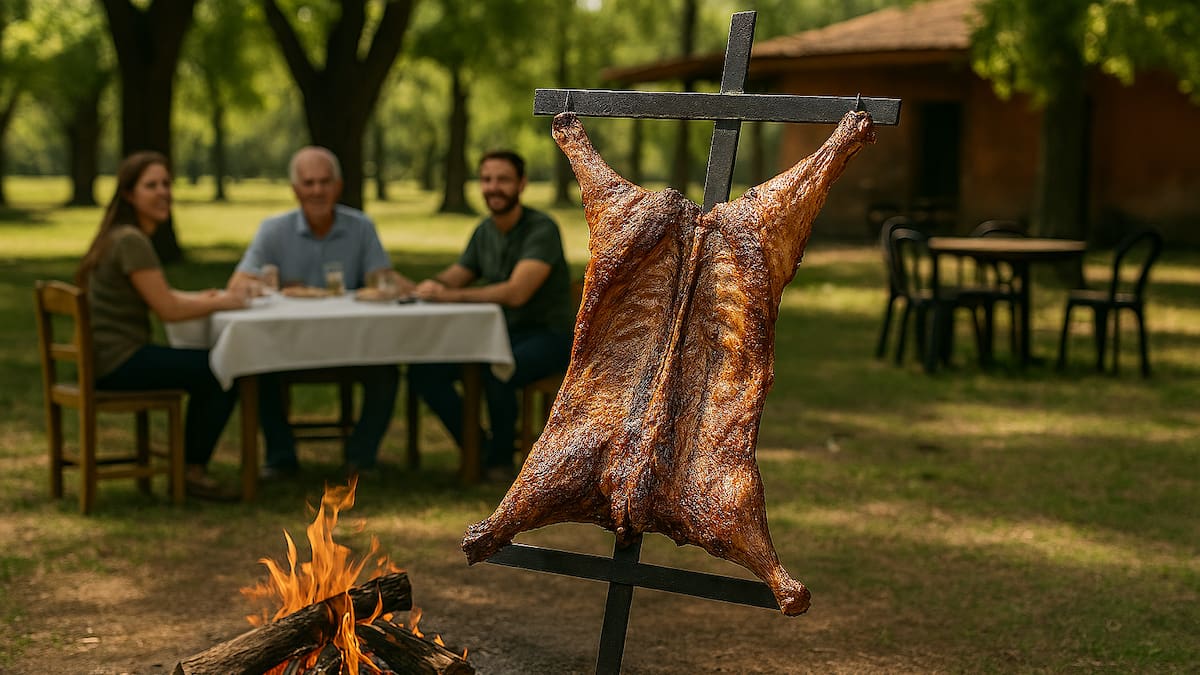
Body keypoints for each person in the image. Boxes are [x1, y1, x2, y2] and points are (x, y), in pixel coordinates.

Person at [228, 146, 414, 479]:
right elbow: (239, 280)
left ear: (338, 186)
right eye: (309, 183)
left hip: (353, 344)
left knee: (387, 372)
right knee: (256, 366)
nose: (317, 191)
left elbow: (381, 277)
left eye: (325, 182)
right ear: (295, 189)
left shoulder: (360, 226)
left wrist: (412, 287)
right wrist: (258, 285)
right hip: (288, 345)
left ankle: (361, 457)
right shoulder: (273, 230)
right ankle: (281, 457)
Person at [76, 151, 248, 501]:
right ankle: (191, 471)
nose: (162, 192)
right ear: (129, 194)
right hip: (119, 361)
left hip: (105, 358)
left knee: (212, 367)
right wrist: (222, 301)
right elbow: (168, 310)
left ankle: (188, 466)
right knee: (224, 368)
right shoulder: (131, 241)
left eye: (166, 184)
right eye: (150, 185)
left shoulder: (119, 236)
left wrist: (203, 297)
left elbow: (161, 295)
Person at [409, 150, 575, 481]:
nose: (493, 187)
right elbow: (459, 273)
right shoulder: (485, 230)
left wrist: (449, 297)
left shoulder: (541, 228)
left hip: (549, 336)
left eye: (503, 179)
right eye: (486, 179)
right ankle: (477, 447)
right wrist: (432, 285)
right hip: (498, 334)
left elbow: (516, 293)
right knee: (423, 370)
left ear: (521, 184)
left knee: (495, 365)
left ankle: (500, 461)